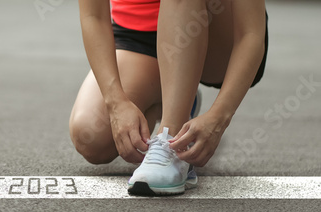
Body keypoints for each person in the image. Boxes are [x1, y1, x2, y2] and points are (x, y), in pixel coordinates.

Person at [69, 0, 268, 196]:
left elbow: (250, 33)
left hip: (215, 29)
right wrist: (116, 103)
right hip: (140, 33)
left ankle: (171, 136)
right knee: (90, 136)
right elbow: (93, 17)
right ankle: (177, 100)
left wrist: (219, 117)